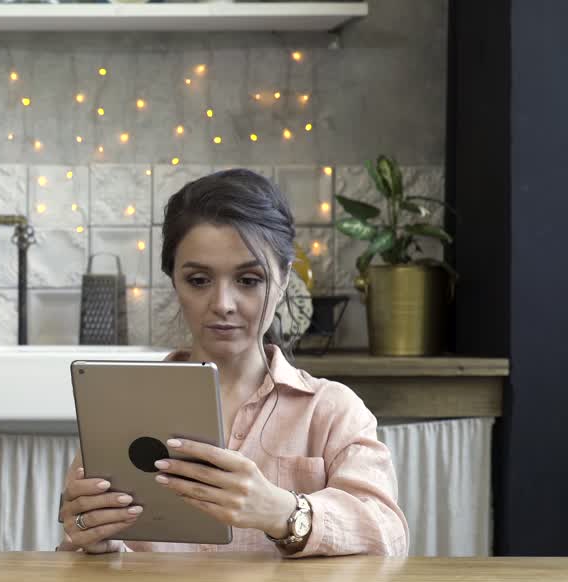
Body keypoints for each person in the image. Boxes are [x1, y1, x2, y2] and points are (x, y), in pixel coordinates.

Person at [58, 169, 409, 557]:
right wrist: (87, 539)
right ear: (173, 280)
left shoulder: (332, 411)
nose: (223, 303)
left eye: (248, 279)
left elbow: (388, 537)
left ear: (283, 279)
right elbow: (80, 555)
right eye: (198, 280)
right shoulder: (116, 407)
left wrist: (284, 512)